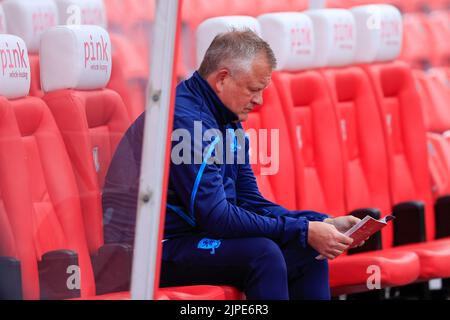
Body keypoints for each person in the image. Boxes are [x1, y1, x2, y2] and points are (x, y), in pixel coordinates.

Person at [102, 30, 361, 300]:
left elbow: (250, 201)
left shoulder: (227, 119)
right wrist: (303, 230)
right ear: (223, 79)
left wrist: (319, 223)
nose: (259, 101)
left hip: (190, 240)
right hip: (147, 252)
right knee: (264, 254)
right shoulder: (188, 123)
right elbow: (218, 217)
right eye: (253, 89)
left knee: (307, 251)